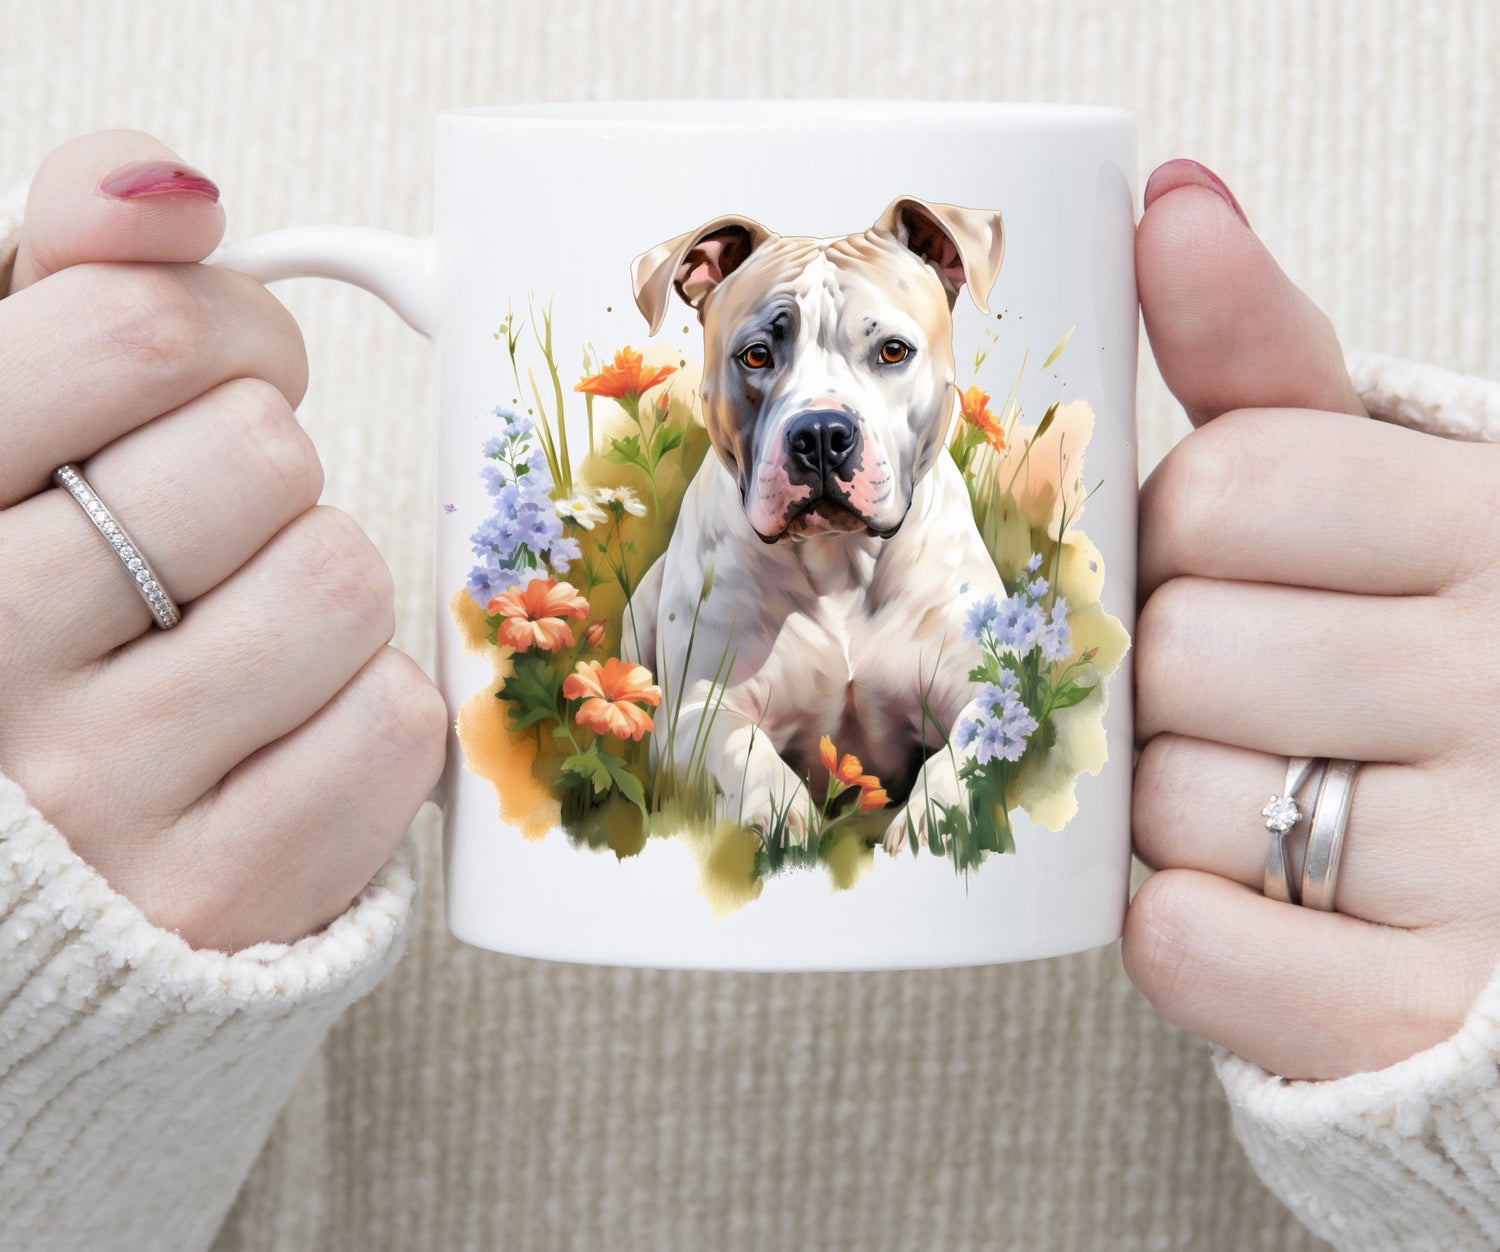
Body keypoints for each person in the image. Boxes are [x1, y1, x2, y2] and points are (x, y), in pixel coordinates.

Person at [1, 133, 1497, 1252]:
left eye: (887, 357)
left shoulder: (962, 558)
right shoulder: (717, 556)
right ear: (695, 303)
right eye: (767, 362)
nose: (823, 413)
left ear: (953, 288)